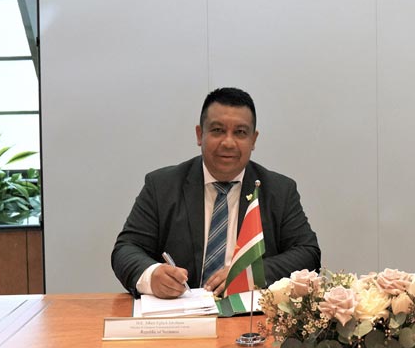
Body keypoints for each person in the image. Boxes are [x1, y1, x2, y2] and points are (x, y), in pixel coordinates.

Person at [112, 87, 321, 298]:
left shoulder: (279, 190)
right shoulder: (161, 186)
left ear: (253, 140)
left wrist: (250, 274)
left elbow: (308, 253)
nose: (228, 143)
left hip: (250, 314)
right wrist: (151, 275)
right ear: (199, 134)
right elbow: (126, 248)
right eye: (218, 130)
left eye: (240, 132)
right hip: (181, 311)